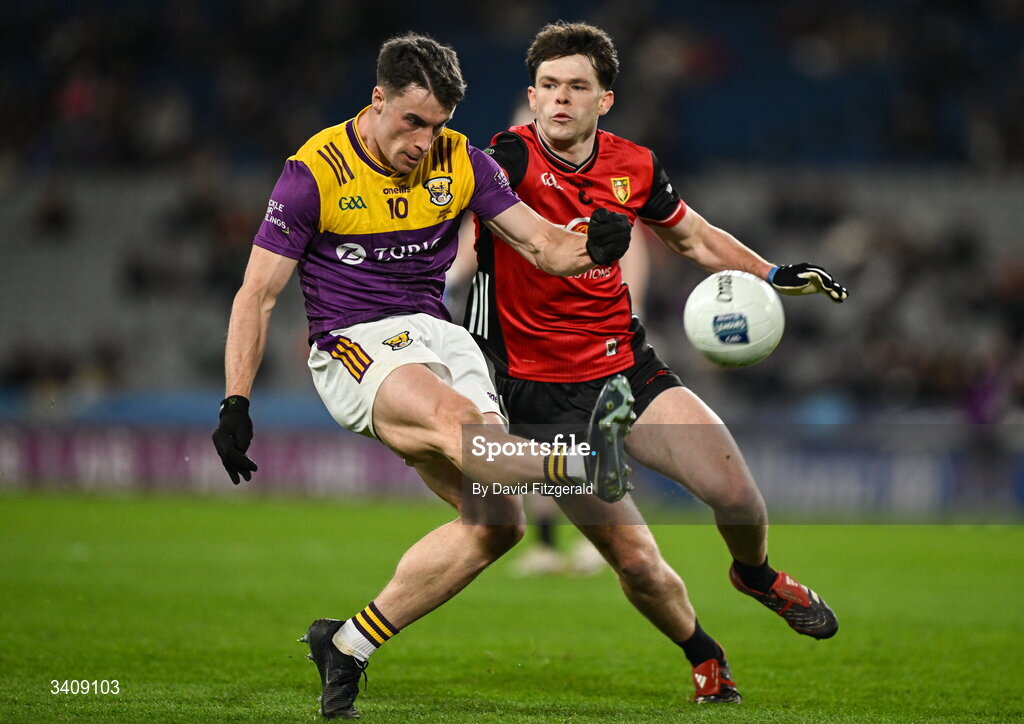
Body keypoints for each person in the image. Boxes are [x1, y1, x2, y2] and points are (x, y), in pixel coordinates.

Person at [210, 33, 638, 720]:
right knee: (462, 429)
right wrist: (236, 400)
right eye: (412, 121)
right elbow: (256, 295)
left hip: (437, 332)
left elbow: (543, 245)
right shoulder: (313, 172)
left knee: (497, 520)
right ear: (378, 101)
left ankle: (346, 644)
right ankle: (586, 460)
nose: (423, 139)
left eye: (436, 124)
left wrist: (595, 244)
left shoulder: (461, 161)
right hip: (355, 341)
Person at [465, 21, 848, 704]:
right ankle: (705, 656)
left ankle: (755, 575)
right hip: (536, 396)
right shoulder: (503, 163)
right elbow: (495, 234)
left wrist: (771, 271)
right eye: (548, 86)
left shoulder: (634, 165)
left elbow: (692, 236)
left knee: (737, 495)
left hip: (624, 368)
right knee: (637, 562)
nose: (560, 99)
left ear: (604, 99)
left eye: (576, 86)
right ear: (531, 94)